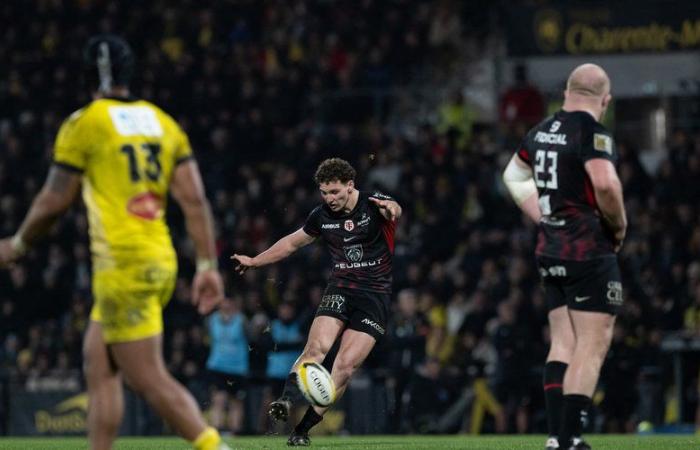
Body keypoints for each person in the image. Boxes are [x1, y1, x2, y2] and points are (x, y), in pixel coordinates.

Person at [0, 35, 229, 450]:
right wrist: (207, 266)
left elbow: (53, 202)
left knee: (148, 378)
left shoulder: (84, 123)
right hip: (160, 258)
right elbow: (195, 200)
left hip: (123, 266)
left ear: (87, 76)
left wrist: (17, 246)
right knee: (98, 361)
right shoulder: (163, 122)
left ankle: (214, 446)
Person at [232, 157, 402, 446]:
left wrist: (392, 209)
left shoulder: (375, 203)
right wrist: (255, 261)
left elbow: (395, 208)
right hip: (340, 289)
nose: (329, 198)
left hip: (374, 296)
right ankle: (285, 401)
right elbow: (291, 243)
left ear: (350, 185)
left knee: (345, 366)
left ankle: (303, 430)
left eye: (335, 192)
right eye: (324, 192)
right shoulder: (321, 216)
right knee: (316, 348)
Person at [502, 63, 627, 450]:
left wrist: (544, 216)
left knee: (563, 343)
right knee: (593, 342)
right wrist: (618, 226)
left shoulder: (540, 132)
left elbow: (512, 176)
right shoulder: (592, 131)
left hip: (550, 248)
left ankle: (557, 439)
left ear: (567, 92)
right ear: (604, 100)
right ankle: (570, 438)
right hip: (587, 248)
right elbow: (605, 184)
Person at [205, 296, 249, 435]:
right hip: (217, 366)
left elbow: (252, 338)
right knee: (218, 400)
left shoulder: (242, 320)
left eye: (229, 301)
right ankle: (216, 431)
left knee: (236, 402)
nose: (226, 304)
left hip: (237, 368)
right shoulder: (211, 320)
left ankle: (234, 434)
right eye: (224, 301)